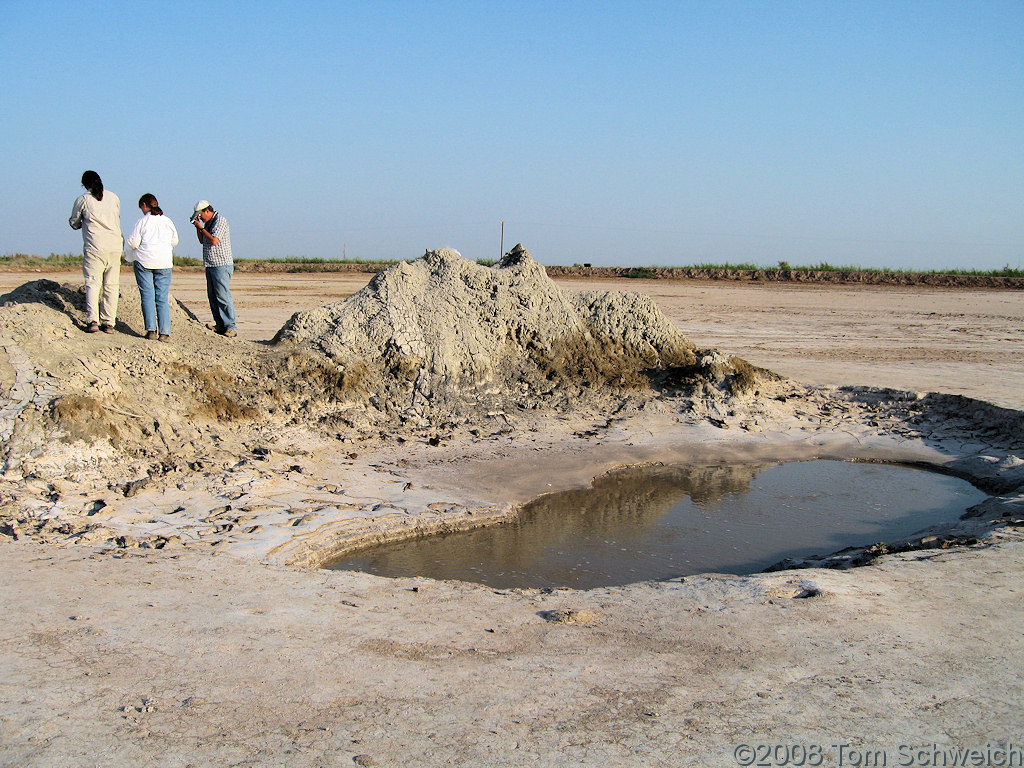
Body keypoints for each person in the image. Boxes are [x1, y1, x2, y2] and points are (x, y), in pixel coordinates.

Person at [69, 171, 122, 333]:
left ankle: (93, 320)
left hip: (95, 246)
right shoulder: (114, 197)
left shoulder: (83, 199)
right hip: (115, 245)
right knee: (111, 285)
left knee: (93, 283)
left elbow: (74, 222)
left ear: (85, 185)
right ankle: (109, 322)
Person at [125, 193, 178, 342]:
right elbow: (175, 241)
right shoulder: (168, 221)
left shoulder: (142, 221)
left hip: (144, 262)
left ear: (144, 205)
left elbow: (133, 242)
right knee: (162, 298)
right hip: (164, 263)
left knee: (147, 296)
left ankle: (151, 331)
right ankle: (165, 333)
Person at [192, 200, 237, 337]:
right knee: (212, 296)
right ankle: (220, 324)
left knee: (223, 296)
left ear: (207, 211)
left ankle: (231, 326)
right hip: (210, 264)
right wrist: (198, 227)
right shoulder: (208, 224)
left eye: (200, 215)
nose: (200, 218)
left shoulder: (220, 221)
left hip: (221, 264)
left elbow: (214, 240)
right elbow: (202, 240)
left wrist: (201, 227)